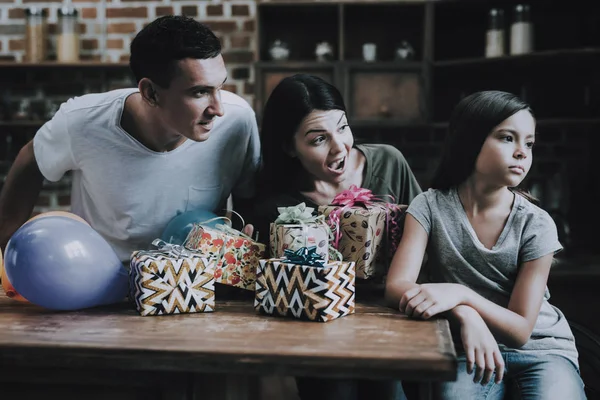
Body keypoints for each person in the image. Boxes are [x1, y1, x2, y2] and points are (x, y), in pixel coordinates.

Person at [0, 15, 261, 263]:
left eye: (220, 87)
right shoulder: (82, 121)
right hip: (100, 281)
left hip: (193, 285)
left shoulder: (237, 121)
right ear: (151, 93)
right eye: (199, 92)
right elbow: (31, 159)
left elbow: (249, 197)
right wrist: (6, 246)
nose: (218, 108)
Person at [385, 91, 586, 399]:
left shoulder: (537, 223)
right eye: (508, 138)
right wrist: (465, 314)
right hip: (468, 346)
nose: (522, 152)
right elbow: (397, 286)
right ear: (469, 141)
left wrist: (461, 294)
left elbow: (520, 330)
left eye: (529, 143)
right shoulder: (429, 206)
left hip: (542, 351)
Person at [254, 73, 421, 400]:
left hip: (393, 322)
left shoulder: (389, 162)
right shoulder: (277, 204)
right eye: (318, 139)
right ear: (289, 146)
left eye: (342, 128)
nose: (339, 147)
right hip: (319, 331)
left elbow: (429, 239)